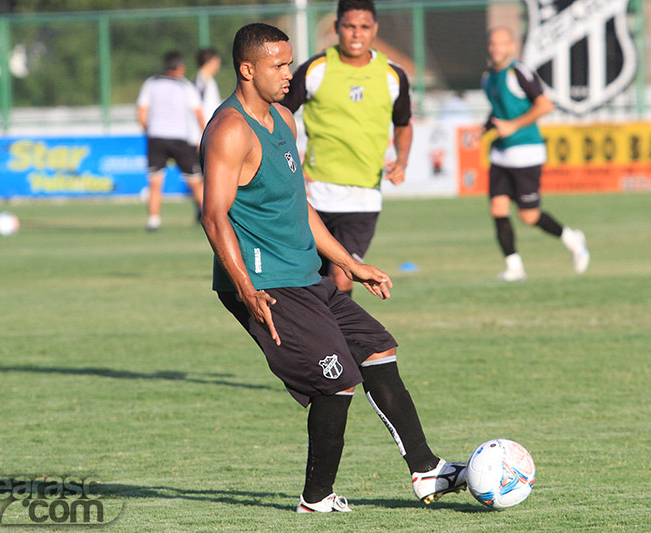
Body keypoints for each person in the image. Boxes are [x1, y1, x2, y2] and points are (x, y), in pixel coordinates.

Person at [200, 22, 466, 513]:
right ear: (247, 70)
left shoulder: (283, 118)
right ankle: (316, 497)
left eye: (289, 63)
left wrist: (349, 263)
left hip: (307, 276)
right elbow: (214, 217)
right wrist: (245, 288)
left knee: (378, 349)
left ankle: (427, 469)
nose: (288, 73)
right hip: (268, 284)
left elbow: (298, 205)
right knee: (338, 381)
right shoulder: (230, 130)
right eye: (278, 65)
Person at [282, 0, 412, 297]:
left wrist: (402, 161)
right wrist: (289, 163)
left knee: (342, 276)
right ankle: (323, 329)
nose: (356, 34)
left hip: (362, 199)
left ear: (374, 29)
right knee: (310, 280)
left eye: (364, 27)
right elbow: (278, 115)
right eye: (350, 26)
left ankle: (336, 330)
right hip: (314, 195)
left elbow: (404, 124)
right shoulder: (315, 69)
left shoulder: (393, 75)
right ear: (336, 26)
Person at [482, 27, 590, 281]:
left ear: (511, 47)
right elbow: (497, 110)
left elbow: (545, 105)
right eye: (493, 43)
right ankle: (514, 267)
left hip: (526, 152)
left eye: (502, 43)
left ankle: (572, 238)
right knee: (498, 208)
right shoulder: (488, 78)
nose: (496, 48)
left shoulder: (519, 73)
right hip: (501, 154)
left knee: (529, 216)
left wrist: (513, 126)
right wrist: (483, 129)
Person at [136, 50, 205, 232]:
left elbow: (141, 113)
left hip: (156, 138)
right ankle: (209, 216)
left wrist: (150, 131)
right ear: (180, 67)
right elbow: (198, 114)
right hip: (180, 139)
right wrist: (204, 137)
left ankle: (153, 220)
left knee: (155, 182)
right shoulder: (186, 86)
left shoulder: (151, 83)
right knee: (195, 181)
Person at [195, 47, 223, 126]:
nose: (219, 64)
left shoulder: (209, 81)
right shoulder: (201, 81)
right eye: (217, 61)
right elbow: (198, 108)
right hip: (203, 129)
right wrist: (203, 129)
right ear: (209, 61)